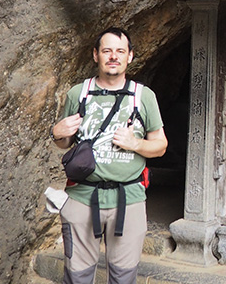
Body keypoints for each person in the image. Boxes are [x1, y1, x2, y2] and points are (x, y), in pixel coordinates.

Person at [51, 27, 167, 284]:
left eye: (120, 51)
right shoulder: (78, 94)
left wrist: (135, 144)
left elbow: (160, 146)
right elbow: (65, 142)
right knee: (77, 277)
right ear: (96, 55)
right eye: (107, 51)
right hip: (82, 198)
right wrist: (56, 133)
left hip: (129, 199)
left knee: (123, 277)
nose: (113, 56)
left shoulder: (143, 96)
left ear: (130, 56)